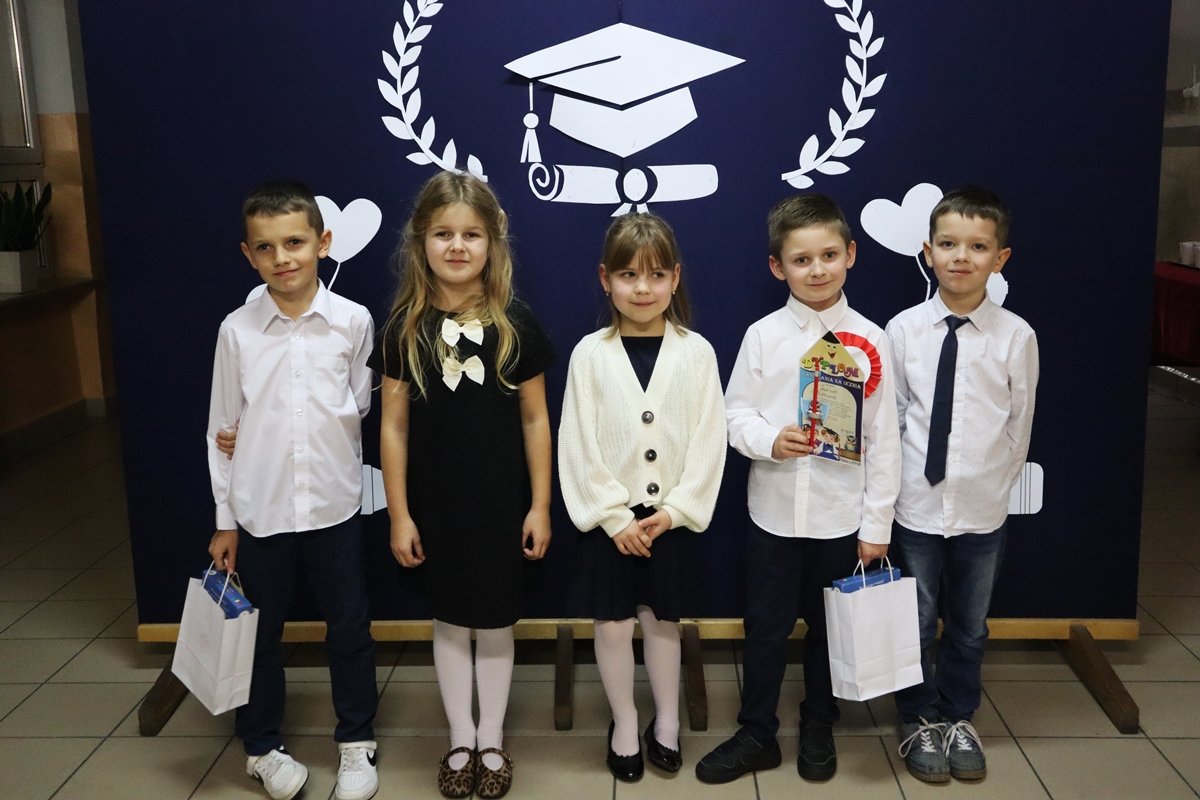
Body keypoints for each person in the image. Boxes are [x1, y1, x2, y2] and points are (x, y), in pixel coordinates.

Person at [696, 194, 901, 784]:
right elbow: (734, 413)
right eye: (801, 259)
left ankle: (818, 723)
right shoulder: (763, 336)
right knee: (765, 627)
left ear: (851, 255)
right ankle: (758, 731)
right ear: (777, 266)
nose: (817, 270)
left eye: (829, 255)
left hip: (841, 516)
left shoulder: (871, 339)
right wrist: (769, 439)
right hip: (775, 513)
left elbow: (884, 439)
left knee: (828, 627)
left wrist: (876, 525)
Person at [370, 171, 554, 800]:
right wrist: (399, 514)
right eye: (443, 234)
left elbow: (536, 419)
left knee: (496, 621)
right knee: (449, 621)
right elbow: (393, 427)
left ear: (492, 243)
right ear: (420, 241)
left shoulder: (516, 323)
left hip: (501, 504)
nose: (457, 246)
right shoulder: (403, 327)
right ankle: (460, 737)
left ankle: (492, 739)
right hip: (436, 507)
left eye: (471, 235)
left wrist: (540, 505)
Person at [206, 181, 379, 800]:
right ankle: (261, 747)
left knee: (349, 628)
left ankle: (356, 742)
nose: (282, 258)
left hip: (334, 506)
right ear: (248, 254)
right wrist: (226, 518)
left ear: (322, 243)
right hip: (261, 512)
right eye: (266, 247)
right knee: (260, 635)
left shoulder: (353, 321)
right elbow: (221, 426)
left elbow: (357, 405)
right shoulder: (237, 331)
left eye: (295, 243)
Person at [558, 213, 726, 782]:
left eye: (656, 275)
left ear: (675, 278)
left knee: (661, 622)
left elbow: (710, 439)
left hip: (669, 520)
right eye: (628, 275)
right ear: (605, 279)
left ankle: (667, 721)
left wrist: (675, 510)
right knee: (611, 625)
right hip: (612, 523)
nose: (642, 288)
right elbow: (576, 442)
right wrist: (612, 516)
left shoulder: (697, 353)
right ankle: (625, 721)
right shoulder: (590, 354)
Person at [886, 186, 1038, 784]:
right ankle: (918, 717)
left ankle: (958, 716)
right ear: (928, 252)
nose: (961, 257)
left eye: (977, 247)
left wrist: (992, 487)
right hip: (916, 506)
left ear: (1000, 258)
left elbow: (1019, 425)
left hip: (980, 509)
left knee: (970, 624)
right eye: (948, 244)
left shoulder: (1015, 336)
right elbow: (896, 417)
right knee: (918, 618)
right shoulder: (904, 330)